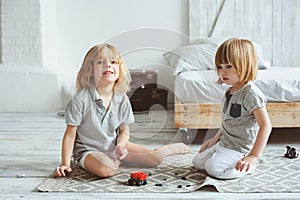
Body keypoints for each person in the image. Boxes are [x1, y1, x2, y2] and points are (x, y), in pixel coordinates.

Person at [55, 43, 189, 178]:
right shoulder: (80, 99)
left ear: (120, 69)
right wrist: (65, 163)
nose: (108, 65)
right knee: (107, 169)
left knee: (155, 159)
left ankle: (165, 150)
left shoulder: (122, 99)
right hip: (89, 151)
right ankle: (120, 159)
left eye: (113, 62)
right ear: (90, 69)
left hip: (113, 145)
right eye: (100, 62)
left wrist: (120, 146)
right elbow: (70, 135)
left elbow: (124, 131)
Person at [192, 38, 272, 179]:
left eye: (228, 66)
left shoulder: (250, 93)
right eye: (220, 67)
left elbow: (266, 126)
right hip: (225, 143)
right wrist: (215, 139)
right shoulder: (230, 91)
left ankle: (249, 166)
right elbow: (228, 120)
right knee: (197, 162)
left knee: (213, 169)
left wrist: (253, 155)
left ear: (245, 65)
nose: (223, 72)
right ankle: (224, 156)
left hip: (240, 148)